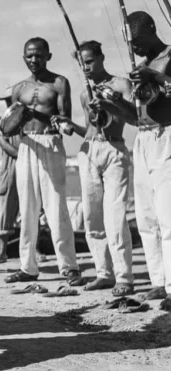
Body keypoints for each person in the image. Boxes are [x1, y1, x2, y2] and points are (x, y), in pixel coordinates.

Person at [52, 40, 137, 296]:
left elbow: (132, 116)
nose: (86, 67)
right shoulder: (84, 94)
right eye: (81, 63)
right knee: (92, 217)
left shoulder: (121, 84)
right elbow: (90, 130)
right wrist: (68, 125)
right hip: (89, 151)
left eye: (89, 61)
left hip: (114, 150)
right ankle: (104, 273)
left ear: (101, 58)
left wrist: (109, 104)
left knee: (116, 216)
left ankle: (124, 277)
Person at [4, 37, 82, 286]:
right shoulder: (18, 88)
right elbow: (9, 126)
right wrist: (16, 121)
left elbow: (64, 121)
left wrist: (35, 114)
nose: (34, 60)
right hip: (27, 144)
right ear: (23, 57)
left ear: (48, 55)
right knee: (26, 208)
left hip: (50, 143)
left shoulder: (59, 83)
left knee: (56, 205)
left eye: (39, 55)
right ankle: (27, 267)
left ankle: (69, 266)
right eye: (29, 55)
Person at [126, 11, 171, 310]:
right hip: (142, 140)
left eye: (137, 40)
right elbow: (135, 116)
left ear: (152, 29)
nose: (135, 48)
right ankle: (158, 282)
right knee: (146, 217)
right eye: (130, 44)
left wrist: (155, 76)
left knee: (168, 216)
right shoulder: (142, 66)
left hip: (167, 136)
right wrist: (113, 105)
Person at [0, 86, 21, 264]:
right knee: (5, 207)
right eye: (7, 100)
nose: (10, 102)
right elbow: (4, 143)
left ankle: (36, 249)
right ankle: (2, 251)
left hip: (26, 161)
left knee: (31, 207)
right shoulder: (2, 120)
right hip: (9, 166)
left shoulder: (28, 118)